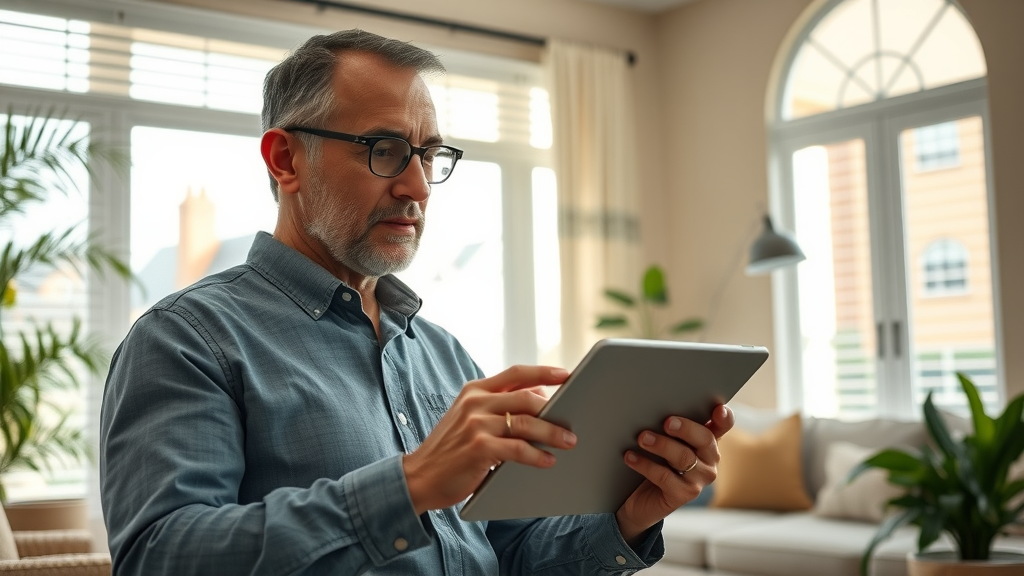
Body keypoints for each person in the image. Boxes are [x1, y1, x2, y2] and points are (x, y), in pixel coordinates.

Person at [99, 29, 734, 575]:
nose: (418, 186)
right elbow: (160, 555)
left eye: (429, 154)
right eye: (386, 150)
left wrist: (627, 518)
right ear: (286, 159)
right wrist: (411, 485)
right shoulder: (186, 340)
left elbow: (507, 552)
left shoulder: (443, 354)